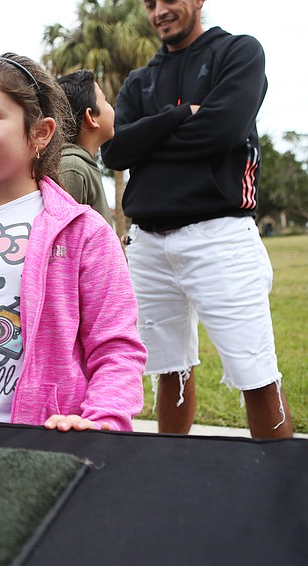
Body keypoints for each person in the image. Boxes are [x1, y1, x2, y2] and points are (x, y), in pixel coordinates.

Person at [0, 53, 146, 432]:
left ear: (40, 133)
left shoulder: (84, 232)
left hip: (43, 443)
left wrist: (102, 421)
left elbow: (116, 347)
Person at [101, 0, 293, 438]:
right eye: (149, 4)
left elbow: (222, 131)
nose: (159, 11)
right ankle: (173, 474)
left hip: (220, 235)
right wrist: (179, 116)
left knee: (255, 371)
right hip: (148, 244)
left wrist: (146, 140)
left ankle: (279, 487)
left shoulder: (238, 52)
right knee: (168, 369)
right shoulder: (139, 80)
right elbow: (114, 150)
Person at [57, 69, 114, 226]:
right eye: (106, 100)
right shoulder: (72, 168)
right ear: (91, 117)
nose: (111, 107)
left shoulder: (80, 165)